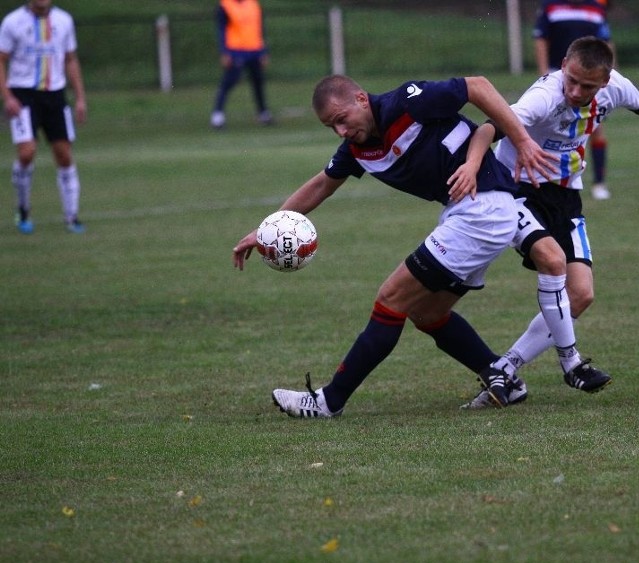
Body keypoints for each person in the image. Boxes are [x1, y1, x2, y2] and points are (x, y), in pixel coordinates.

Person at [232, 74, 559, 418]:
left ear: (360, 99)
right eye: (332, 127)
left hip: (483, 211)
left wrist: (522, 141)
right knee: (427, 312)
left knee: (391, 299)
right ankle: (501, 376)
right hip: (472, 214)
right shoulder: (358, 149)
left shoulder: (407, 101)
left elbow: (476, 86)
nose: (340, 131)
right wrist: (265, 229)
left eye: (341, 119)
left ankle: (328, 402)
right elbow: (320, 185)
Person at [461, 37, 639, 409]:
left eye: (587, 86)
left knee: (581, 294)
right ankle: (571, 362)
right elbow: (489, 127)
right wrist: (473, 165)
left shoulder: (616, 87)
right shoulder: (544, 96)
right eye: (571, 80)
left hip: (566, 196)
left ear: (605, 82)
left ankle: (505, 369)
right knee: (552, 261)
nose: (575, 91)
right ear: (563, 66)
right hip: (517, 190)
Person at [0, 0, 87, 234]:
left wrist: (79, 97)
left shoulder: (64, 20)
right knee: (27, 153)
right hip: (23, 95)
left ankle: (72, 217)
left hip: (55, 96)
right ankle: (23, 209)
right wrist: (7, 97)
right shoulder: (12, 22)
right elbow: (1, 60)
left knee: (64, 155)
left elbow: (70, 59)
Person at [534, 0, 613, 200]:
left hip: (589, 81)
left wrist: (611, 74)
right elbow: (541, 39)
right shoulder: (551, 6)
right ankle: (544, 181)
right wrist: (544, 72)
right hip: (559, 76)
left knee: (596, 129)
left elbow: (605, 43)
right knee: (547, 130)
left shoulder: (596, 9)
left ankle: (599, 183)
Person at [210, 0, 272, 129]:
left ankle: (263, 113)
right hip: (236, 50)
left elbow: (259, 28)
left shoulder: (253, 4)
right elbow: (221, 29)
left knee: (258, 82)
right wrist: (225, 52)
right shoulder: (226, 5)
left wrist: (263, 51)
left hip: (254, 50)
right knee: (229, 82)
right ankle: (217, 114)